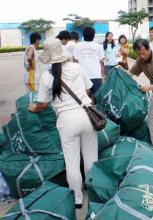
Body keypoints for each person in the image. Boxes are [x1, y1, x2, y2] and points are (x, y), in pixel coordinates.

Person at [28, 38, 98, 209]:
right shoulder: (77, 67)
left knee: (72, 163)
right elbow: (88, 89)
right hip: (86, 116)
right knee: (91, 159)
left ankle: (77, 198)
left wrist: (32, 109)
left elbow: (42, 104)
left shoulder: (47, 76)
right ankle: (94, 190)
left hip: (66, 121)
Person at [73, 27, 105, 95]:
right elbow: (101, 63)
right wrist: (102, 76)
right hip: (96, 76)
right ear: (93, 35)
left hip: (82, 76)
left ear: (83, 35)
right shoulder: (98, 46)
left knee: (84, 98)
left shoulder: (77, 46)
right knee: (97, 99)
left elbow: (75, 62)